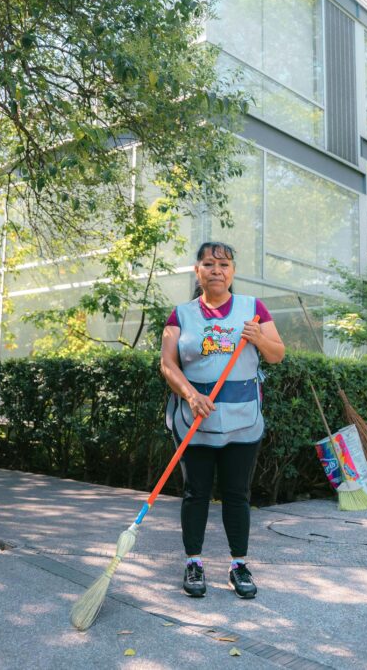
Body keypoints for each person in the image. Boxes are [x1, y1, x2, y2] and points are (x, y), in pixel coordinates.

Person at [160, 242, 285, 599]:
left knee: (236, 494)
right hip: (194, 418)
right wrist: (191, 395)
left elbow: (277, 355)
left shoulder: (253, 310)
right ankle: (194, 562)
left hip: (243, 420)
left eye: (224, 264)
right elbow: (167, 364)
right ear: (196, 271)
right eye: (209, 263)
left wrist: (258, 337)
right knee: (195, 493)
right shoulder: (180, 315)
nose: (217, 269)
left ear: (233, 271)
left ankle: (238, 565)